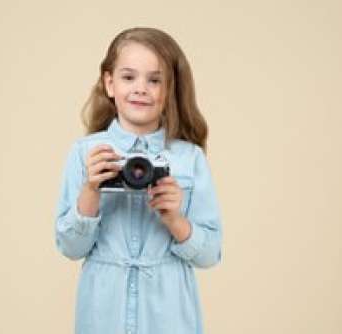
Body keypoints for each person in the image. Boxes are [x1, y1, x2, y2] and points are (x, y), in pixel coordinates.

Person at [54, 27, 223, 334]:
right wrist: (92, 189)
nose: (141, 88)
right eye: (129, 77)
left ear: (169, 89)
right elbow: (70, 247)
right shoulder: (87, 154)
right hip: (103, 312)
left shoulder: (188, 159)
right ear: (109, 83)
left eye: (154, 80)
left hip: (170, 314)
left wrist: (174, 219)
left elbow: (210, 254)